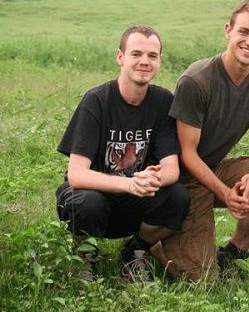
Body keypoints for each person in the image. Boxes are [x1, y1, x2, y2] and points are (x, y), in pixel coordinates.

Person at [156, 0, 249, 281]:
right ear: (228, 30)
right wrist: (226, 193)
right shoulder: (197, 80)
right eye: (244, 32)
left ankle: (234, 251)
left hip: (214, 167)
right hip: (181, 181)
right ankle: (152, 242)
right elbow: (187, 154)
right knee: (201, 280)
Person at [56, 25, 190, 282]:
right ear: (120, 57)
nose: (144, 61)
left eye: (152, 56)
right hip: (94, 194)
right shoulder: (96, 100)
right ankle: (84, 255)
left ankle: (134, 252)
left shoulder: (162, 102)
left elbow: (172, 168)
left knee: (178, 197)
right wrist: (129, 183)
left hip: (133, 196)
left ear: (160, 60)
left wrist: (150, 180)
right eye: (136, 54)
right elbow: (76, 175)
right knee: (87, 203)